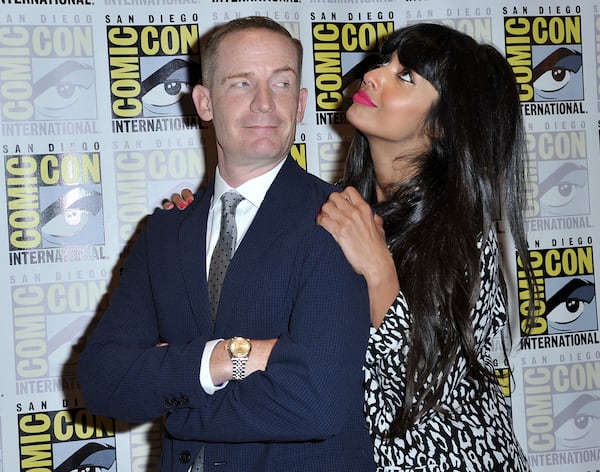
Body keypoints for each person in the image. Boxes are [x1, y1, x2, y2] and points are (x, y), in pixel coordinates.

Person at [169, 22, 536, 471]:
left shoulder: (463, 237)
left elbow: (417, 392)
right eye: (384, 62)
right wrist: (215, 219)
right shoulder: (336, 207)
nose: (374, 75)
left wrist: (379, 270)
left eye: (405, 76)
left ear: (441, 124)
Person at [78, 16, 375, 472]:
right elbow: (102, 382)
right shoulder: (164, 232)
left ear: (300, 104)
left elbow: (316, 401)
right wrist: (221, 360)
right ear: (204, 102)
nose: (264, 103)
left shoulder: (337, 220)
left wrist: (173, 401)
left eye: (281, 84)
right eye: (241, 84)